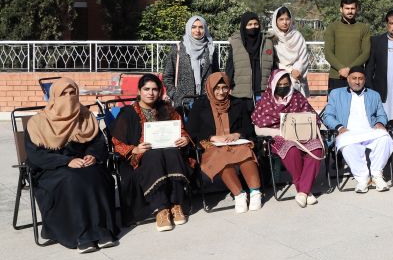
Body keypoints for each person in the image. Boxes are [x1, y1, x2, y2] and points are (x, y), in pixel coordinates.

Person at [25, 79, 119, 251]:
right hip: (52, 169)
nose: (69, 97)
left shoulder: (86, 117)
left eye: (72, 93)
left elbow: (97, 143)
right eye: (63, 94)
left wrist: (92, 155)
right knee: (72, 180)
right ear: (53, 97)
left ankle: (102, 231)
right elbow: (36, 156)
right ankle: (82, 236)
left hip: (84, 163)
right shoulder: (38, 123)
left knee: (97, 176)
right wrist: (66, 161)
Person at [111, 74, 194, 231]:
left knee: (172, 153)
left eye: (155, 89)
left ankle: (176, 205)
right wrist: (134, 149)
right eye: (146, 89)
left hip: (169, 154)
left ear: (160, 91)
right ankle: (162, 209)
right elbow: (117, 142)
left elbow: (182, 131)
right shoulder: (128, 113)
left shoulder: (168, 110)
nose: (151, 93)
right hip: (143, 156)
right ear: (139, 91)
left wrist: (185, 139)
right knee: (153, 155)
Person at [187, 72, 262, 214]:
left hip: (235, 142)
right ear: (209, 88)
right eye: (216, 88)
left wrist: (237, 134)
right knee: (220, 156)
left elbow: (248, 127)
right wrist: (212, 137)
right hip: (211, 144)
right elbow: (192, 131)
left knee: (245, 151)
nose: (221, 92)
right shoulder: (200, 105)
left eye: (224, 87)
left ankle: (255, 192)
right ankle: (239, 194)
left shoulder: (237, 103)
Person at [251, 70, 323, 207]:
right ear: (273, 84)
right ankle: (305, 190)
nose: (283, 87)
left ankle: (303, 191)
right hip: (278, 136)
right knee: (292, 150)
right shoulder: (266, 100)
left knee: (317, 149)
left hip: (301, 133)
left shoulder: (297, 96)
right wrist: (280, 132)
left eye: (286, 84)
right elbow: (258, 128)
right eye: (280, 84)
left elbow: (311, 115)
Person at [321, 66, 393, 193]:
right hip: (347, 132)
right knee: (347, 145)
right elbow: (327, 116)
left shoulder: (374, 95)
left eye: (360, 78)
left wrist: (380, 123)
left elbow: (382, 115)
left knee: (385, 139)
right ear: (348, 79)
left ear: (365, 80)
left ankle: (377, 175)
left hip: (370, 131)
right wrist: (339, 127)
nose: (357, 81)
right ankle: (363, 178)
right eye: (354, 78)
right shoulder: (336, 94)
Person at [163, 15, 220, 110]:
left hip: (206, 100)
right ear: (188, 28)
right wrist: (174, 94)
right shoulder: (178, 49)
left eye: (201, 27)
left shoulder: (211, 49)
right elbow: (167, 75)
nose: (197, 30)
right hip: (183, 102)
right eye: (193, 27)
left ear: (205, 29)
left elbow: (216, 74)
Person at [324, 0, 371, 92]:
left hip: (357, 77)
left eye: (352, 8)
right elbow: (328, 53)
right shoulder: (332, 27)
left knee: (358, 106)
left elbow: (366, 52)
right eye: (347, 8)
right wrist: (341, 68)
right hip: (337, 76)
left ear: (356, 9)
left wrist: (350, 69)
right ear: (341, 9)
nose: (350, 11)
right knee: (336, 106)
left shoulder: (364, 28)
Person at [225, 11, 275, 102]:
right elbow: (230, 67)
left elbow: (273, 66)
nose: (253, 27)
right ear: (244, 26)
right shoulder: (236, 43)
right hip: (241, 94)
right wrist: (229, 86)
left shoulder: (267, 42)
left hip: (263, 93)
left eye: (256, 24)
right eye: (250, 24)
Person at [268, 6, 310, 94]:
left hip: (297, 78)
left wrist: (297, 71)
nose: (285, 22)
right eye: (281, 19)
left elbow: (303, 58)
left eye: (287, 19)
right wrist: (290, 70)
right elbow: (273, 61)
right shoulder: (272, 38)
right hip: (279, 80)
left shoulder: (297, 37)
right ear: (275, 21)